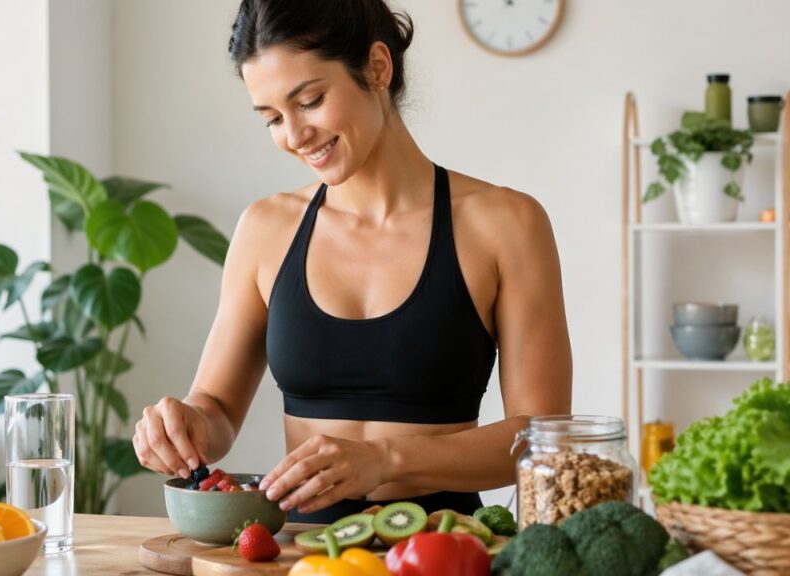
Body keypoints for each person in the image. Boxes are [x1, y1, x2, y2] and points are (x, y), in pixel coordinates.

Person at [132, 0, 572, 524]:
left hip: (445, 551)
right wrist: (186, 424)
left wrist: (385, 461)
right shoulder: (265, 229)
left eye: (311, 101)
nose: (294, 137)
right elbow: (218, 408)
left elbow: (543, 436)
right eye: (272, 118)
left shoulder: (506, 224)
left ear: (377, 68)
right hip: (297, 556)